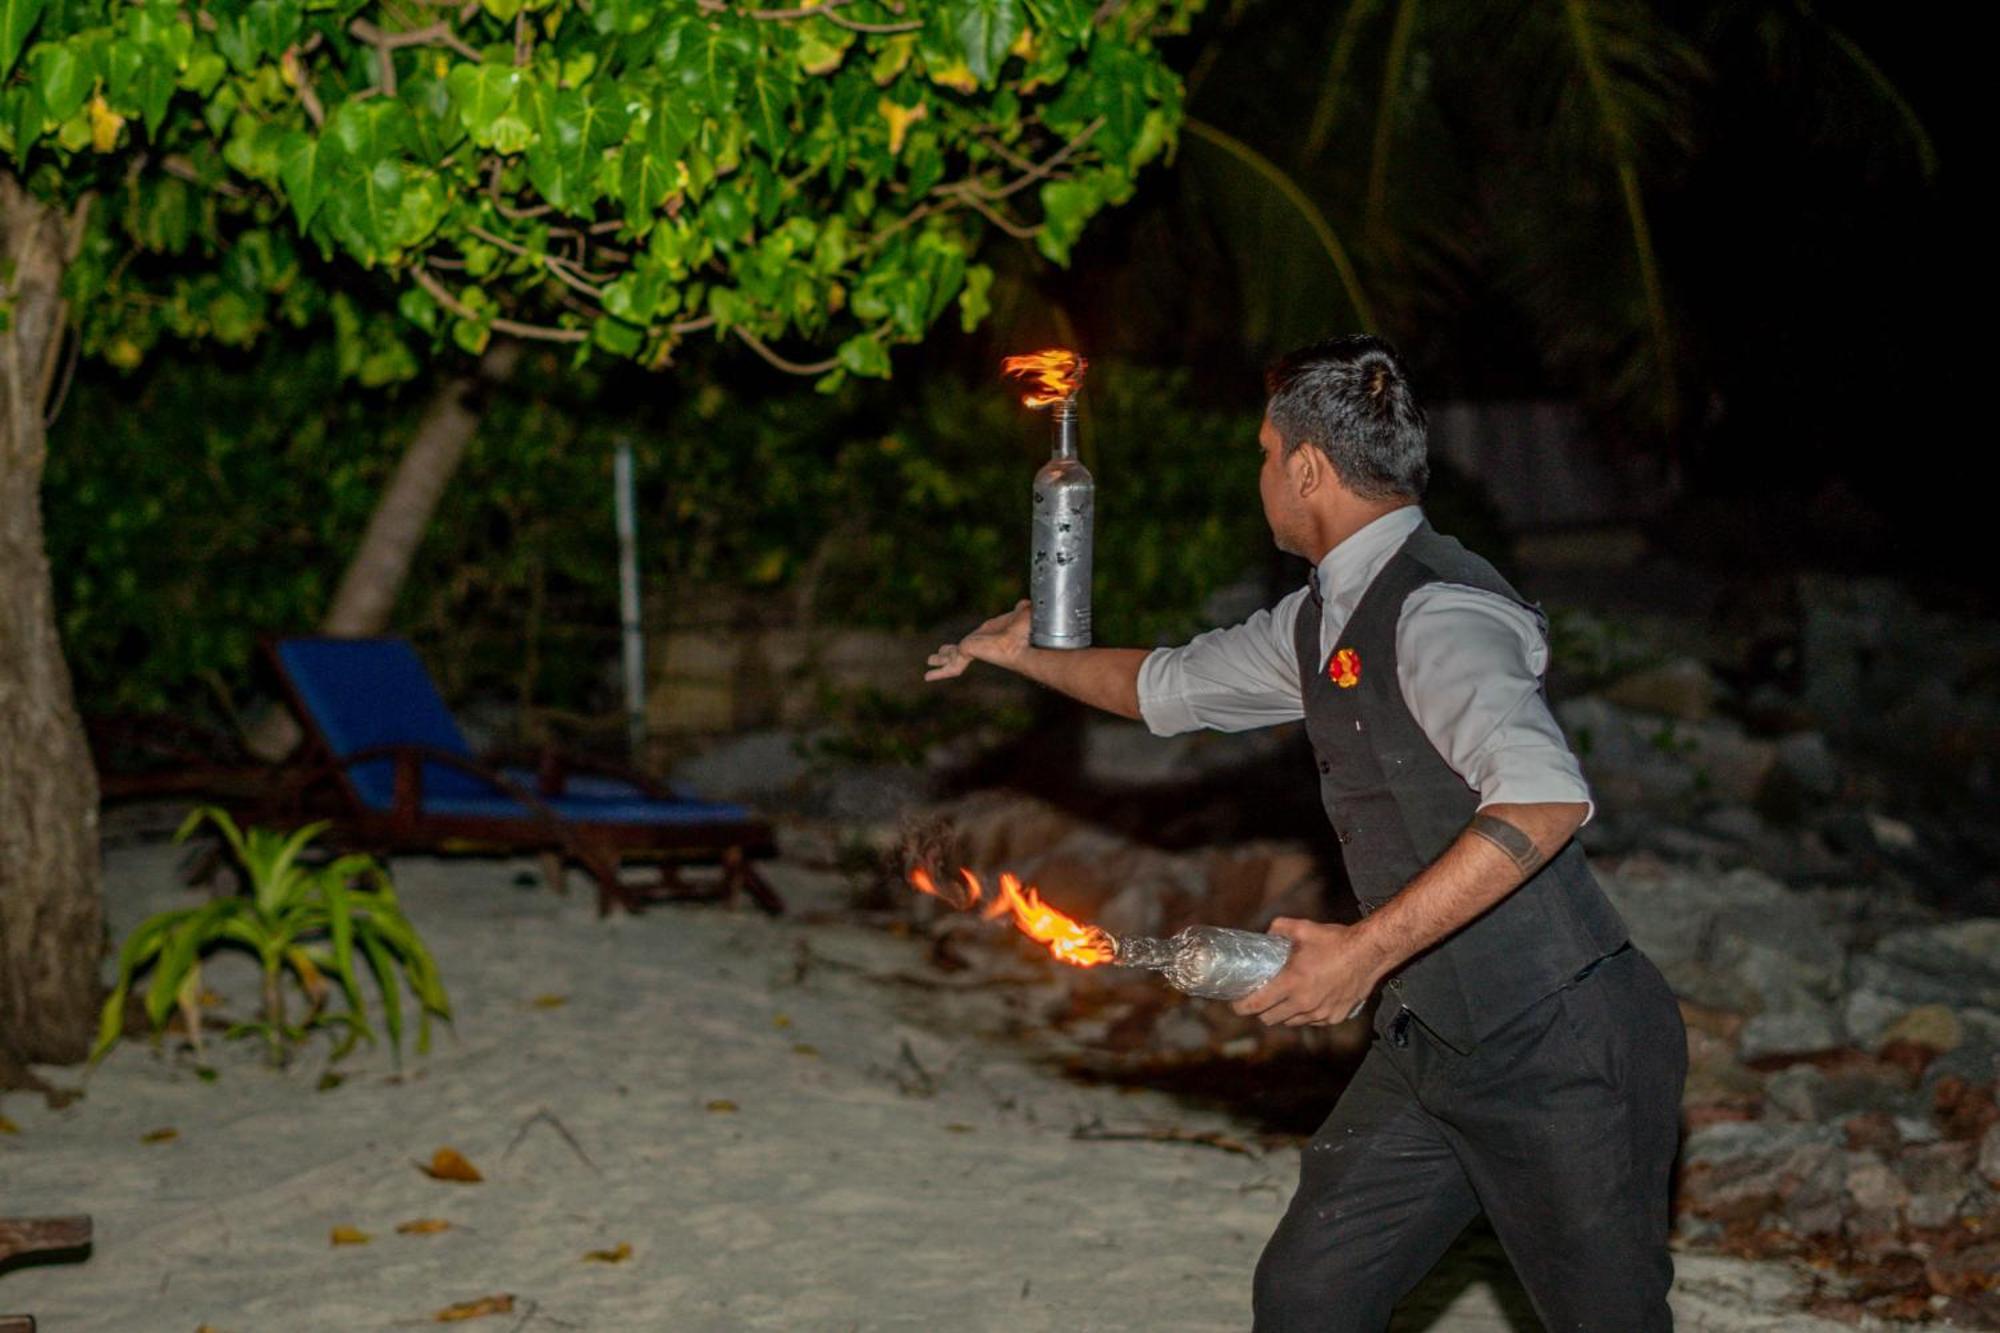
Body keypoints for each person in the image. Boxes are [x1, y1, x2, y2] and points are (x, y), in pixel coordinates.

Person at [923, 334, 1687, 1331]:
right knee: (1306, 1298)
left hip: (1559, 1048)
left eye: (1260, 452)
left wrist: (1360, 954)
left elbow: (1540, 801)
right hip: (1431, 1046)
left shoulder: (1438, 613)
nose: (1258, 476)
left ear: (1307, 469)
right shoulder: (1321, 619)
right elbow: (1164, 688)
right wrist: (1027, 657)